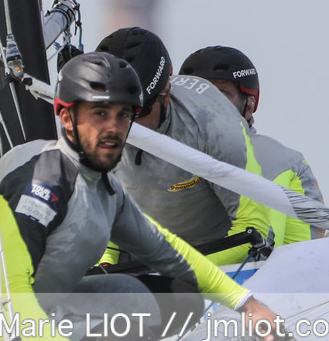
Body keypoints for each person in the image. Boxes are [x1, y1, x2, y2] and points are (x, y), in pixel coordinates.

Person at [0, 51, 277, 341]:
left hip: (51, 310)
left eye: (123, 115)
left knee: (181, 301)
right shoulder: (42, 186)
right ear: (66, 118)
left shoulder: (105, 188)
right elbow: (9, 291)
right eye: (100, 114)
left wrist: (247, 304)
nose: (114, 128)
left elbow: (169, 253)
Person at [97, 28, 277, 266]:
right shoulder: (90, 126)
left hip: (223, 253)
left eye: (137, 112)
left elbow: (253, 229)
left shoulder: (215, 127)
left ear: (166, 94)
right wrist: (102, 265)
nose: (124, 126)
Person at [180, 45, 325, 244]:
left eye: (220, 95)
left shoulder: (288, 164)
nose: (206, 106)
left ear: (249, 105)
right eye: (196, 96)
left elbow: (304, 256)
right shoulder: (143, 155)